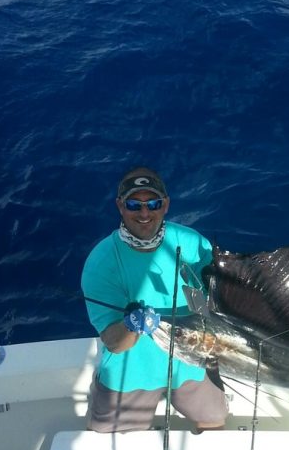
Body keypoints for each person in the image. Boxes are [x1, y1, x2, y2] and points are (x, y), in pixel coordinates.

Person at [81, 166, 228, 433]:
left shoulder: (190, 242)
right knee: (110, 448)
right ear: (120, 206)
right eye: (134, 205)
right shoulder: (101, 263)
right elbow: (114, 343)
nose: (145, 213)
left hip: (191, 364)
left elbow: (225, 287)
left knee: (215, 420)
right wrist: (131, 325)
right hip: (132, 374)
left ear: (166, 204)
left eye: (153, 203)